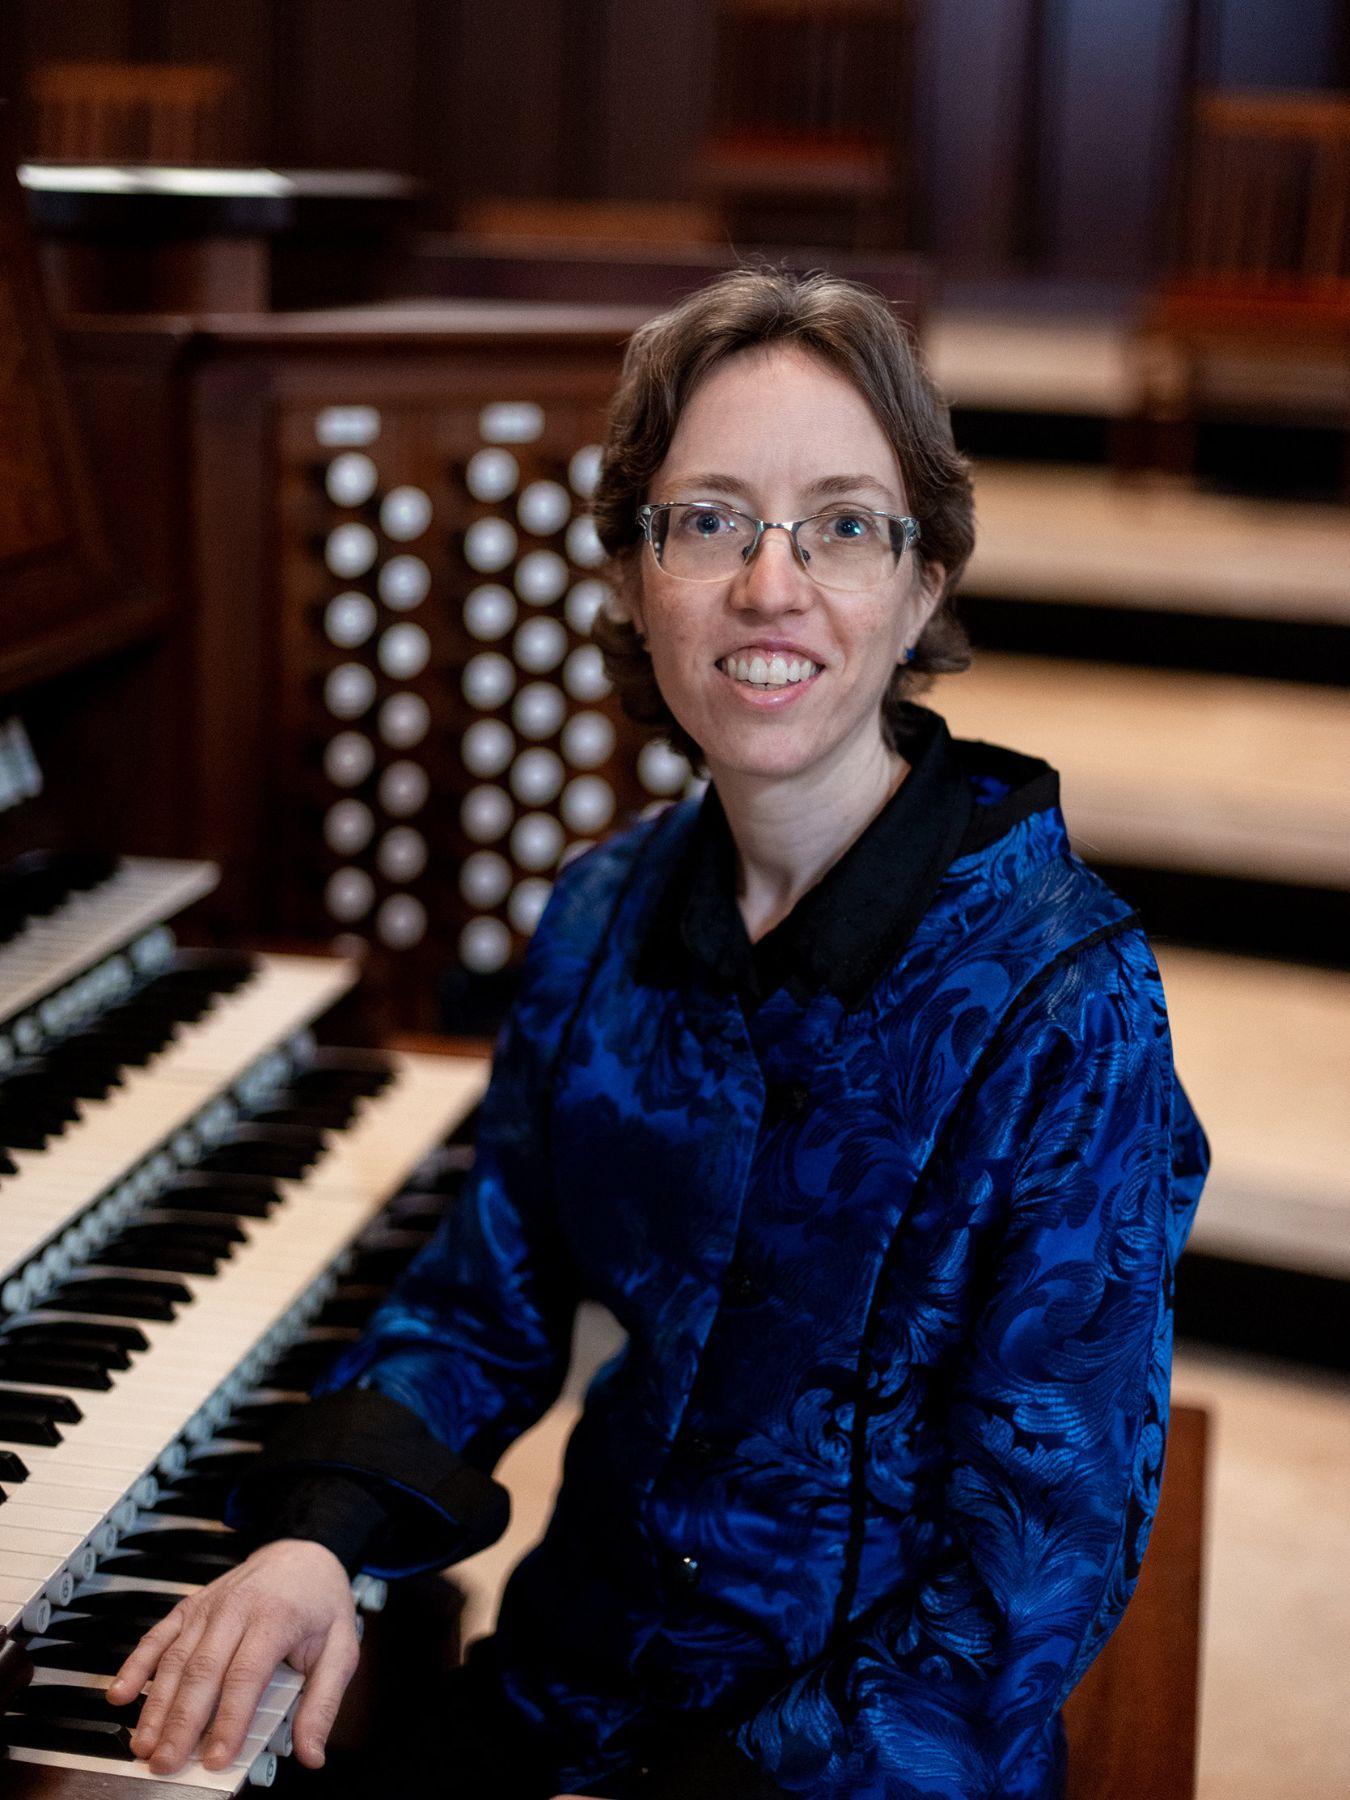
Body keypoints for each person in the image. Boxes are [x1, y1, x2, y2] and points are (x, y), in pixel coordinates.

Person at [109, 269, 1210, 1799]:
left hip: (856, 1760)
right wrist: (316, 1536)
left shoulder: (1067, 1003)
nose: (770, 585)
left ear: (922, 587)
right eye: (707, 521)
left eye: (841, 523)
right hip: (569, 1685)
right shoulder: (604, 911)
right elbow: (485, 1297)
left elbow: (1031, 1576)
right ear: (635, 577)